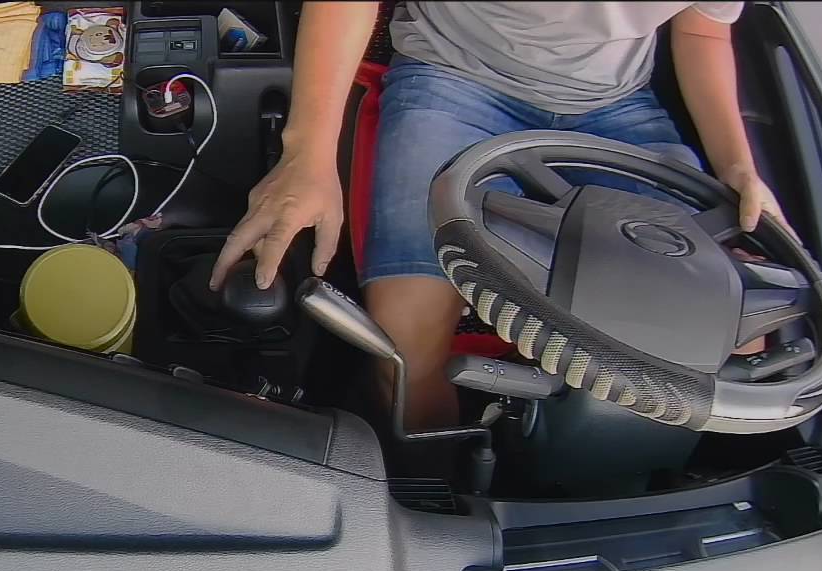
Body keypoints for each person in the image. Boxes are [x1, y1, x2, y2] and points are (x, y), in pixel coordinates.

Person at [209, 2, 787, 433]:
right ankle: (432, 487)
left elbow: (703, 28)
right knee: (404, 350)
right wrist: (307, 154)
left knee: (730, 338)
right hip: (454, 78)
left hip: (617, 104)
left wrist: (737, 166)